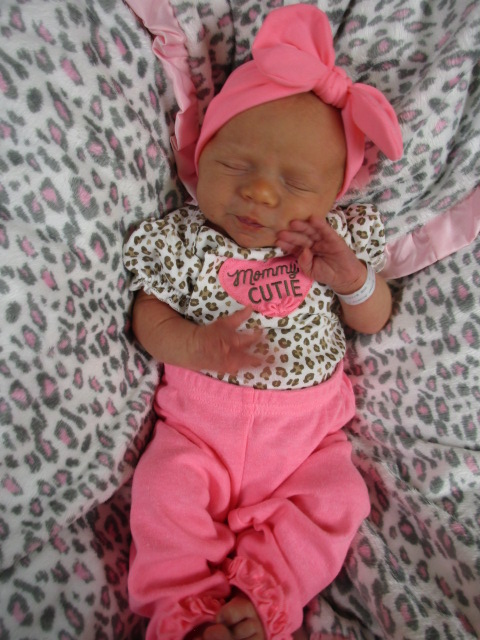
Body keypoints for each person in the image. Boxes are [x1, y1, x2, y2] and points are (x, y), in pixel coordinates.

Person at [123, 5, 403, 639]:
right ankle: (185, 612)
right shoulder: (185, 240)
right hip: (200, 431)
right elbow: (148, 317)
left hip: (306, 441)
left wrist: (352, 279)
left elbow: (373, 318)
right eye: (236, 166)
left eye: (295, 185)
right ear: (202, 156)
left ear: (332, 199)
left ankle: (264, 596)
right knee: (163, 490)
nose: (261, 194)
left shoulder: (334, 246)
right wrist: (197, 345)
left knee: (340, 498)